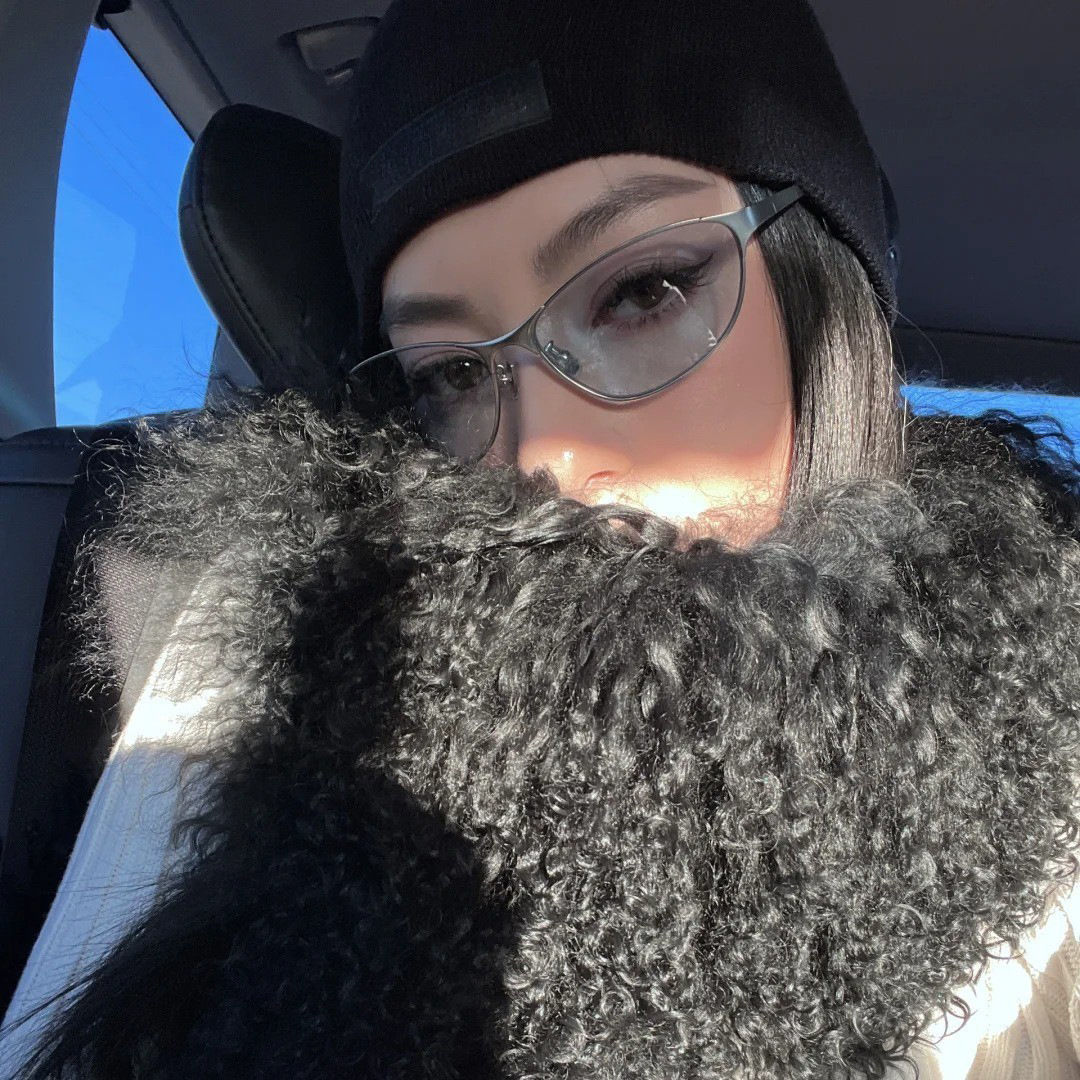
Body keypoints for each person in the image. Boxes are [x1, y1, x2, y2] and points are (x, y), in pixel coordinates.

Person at [7, 0, 1080, 1077]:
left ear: (827, 302)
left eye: (645, 290)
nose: (545, 462)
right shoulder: (270, 695)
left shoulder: (1047, 789)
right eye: (452, 376)